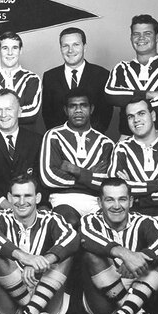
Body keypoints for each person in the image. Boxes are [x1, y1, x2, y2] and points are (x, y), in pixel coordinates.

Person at [80, 178, 158, 314]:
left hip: (137, 291)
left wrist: (143, 258)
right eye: (109, 199)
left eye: (122, 199)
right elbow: (86, 236)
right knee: (91, 256)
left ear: (131, 201)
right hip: (103, 299)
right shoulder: (90, 220)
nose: (116, 205)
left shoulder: (143, 221)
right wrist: (126, 255)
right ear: (99, 202)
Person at [0, 175, 78, 314]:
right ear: (9, 198)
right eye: (17, 196)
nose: (21, 201)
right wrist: (25, 257)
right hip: (10, 294)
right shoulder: (0, 217)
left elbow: (72, 238)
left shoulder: (51, 219)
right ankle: (35, 313)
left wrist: (43, 260)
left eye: (27, 196)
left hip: (45, 291)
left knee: (65, 254)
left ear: (38, 197)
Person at [109, 98, 158, 276]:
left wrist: (136, 193)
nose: (136, 120)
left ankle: (148, 260)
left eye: (141, 113)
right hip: (134, 218)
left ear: (152, 115)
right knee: (123, 270)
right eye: (130, 117)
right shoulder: (121, 148)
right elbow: (117, 189)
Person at [40, 89, 114, 229]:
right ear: (66, 110)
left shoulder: (106, 143)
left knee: (103, 227)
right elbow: (48, 177)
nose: (78, 110)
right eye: (73, 106)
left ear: (91, 109)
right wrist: (89, 176)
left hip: (95, 201)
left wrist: (75, 170)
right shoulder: (53, 136)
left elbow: (106, 182)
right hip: (62, 199)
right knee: (70, 223)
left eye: (83, 105)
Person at [105, 15, 158, 137]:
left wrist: (127, 100)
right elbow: (110, 94)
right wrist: (147, 94)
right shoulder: (121, 68)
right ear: (131, 38)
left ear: (157, 37)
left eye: (147, 33)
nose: (141, 38)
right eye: (136, 34)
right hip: (127, 139)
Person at [0, 89, 42, 219]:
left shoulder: (37, 140)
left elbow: (40, 177)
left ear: (19, 111)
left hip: (31, 202)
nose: (4, 115)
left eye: (9, 109)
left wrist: (27, 202)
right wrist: (3, 202)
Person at [42, 27, 113, 134]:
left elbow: (105, 114)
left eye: (76, 45)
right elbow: (47, 114)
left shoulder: (102, 75)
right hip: (60, 142)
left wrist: (89, 138)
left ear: (84, 47)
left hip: (93, 142)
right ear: (60, 48)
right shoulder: (50, 77)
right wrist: (60, 138)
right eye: (65, 46)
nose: (70, 50)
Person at [0, 32, 42, 129]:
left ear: (21, 50)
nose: (10, 53)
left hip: (23, 137)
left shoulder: (31, 79)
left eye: (15, 48)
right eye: (5, 48)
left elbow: (32, 113)